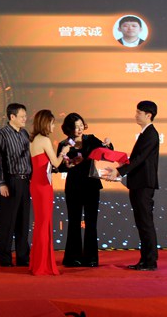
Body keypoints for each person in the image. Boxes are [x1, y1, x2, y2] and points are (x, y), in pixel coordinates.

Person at [105, 100, 160, 271]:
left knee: (145, 223)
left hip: (144, 184)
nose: (136, 115)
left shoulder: (151, 134)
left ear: (148, 115)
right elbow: (135, 159)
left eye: (139, 112)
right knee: (142, 223)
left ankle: (150, 261)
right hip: (138, 183)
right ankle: (145, 260)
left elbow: (140, 159)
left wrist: (119, 172)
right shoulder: (145, 133)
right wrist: (120, 166)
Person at [57, 113, 112, 268]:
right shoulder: (64, 144)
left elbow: (106, 152)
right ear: (69, 129)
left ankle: (91, 258)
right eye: (76, 126)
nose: (79, 129)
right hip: (73, 186)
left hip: (91, 186)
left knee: (91, 222)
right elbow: (58, 166)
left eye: (81, 125)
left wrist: (108, 144)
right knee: (74, 222)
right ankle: (72, 258)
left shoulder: (91, 139)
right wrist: (68, 164)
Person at [29, 109, 70, 276]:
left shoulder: (34, 140)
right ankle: (42, 266)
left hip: (37, 184)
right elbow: (56, 163)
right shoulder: (44, 140)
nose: (54, 126)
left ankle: (38, 263)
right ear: (46, 123)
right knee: (44, 224)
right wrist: (64, 152)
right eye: (52, 123)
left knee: (41, 223)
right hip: (43, 186)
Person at [0, 103, 32, 267]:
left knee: (23, 221)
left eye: (25, 116)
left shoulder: (25, 133)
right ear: (12, 117)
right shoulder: (1, 134)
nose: (25, 119)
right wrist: (2, 182)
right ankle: (5, 258)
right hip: (10, 181)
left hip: (25, 181)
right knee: (7, 221)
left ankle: (23, 257)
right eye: (22, 116)